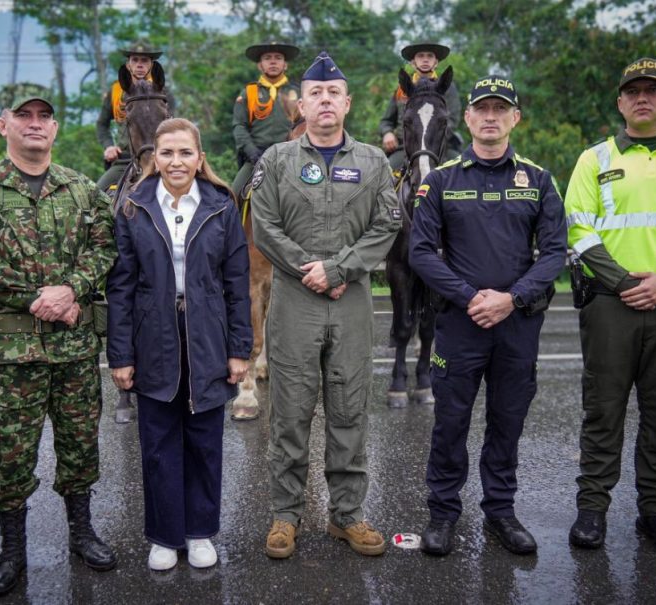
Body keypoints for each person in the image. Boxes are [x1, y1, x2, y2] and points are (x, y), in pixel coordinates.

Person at [0, 94, 118, 596]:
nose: (34, 125)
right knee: (12, 454)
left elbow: (104, 246)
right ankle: (12, 549)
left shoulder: (82, 189)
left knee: (80, 445)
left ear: (56, 129)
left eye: (43, 118)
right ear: (4, 126)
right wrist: (38, 296)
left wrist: (73, 289)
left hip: (74, 348)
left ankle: (82, 533)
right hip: (12, 351)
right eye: (24, 117)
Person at [251, 51, 401, 559]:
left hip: (352, 299)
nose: (325, 101)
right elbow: (264, 227)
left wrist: (338, 270)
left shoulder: (374, 162)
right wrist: (308, 269)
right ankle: (285, 515)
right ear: (301, 104)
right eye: (315, 93)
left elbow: (389, 224)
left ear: (347, 103)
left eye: (333, 93)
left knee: (349, 410)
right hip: (294, 301)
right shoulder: (276, 160)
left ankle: (347, 516)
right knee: (290, 413)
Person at [409, 76, 567, 556]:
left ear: (515, 118)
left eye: (502, 109)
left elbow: (555, 253)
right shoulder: (442, 179)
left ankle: (501, 512)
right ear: (470, 119)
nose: (492, 116)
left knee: (507, 421)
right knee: (450, 423)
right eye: (484, 109)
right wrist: (471, 296)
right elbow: (420, 251)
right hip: (460, 325)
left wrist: (511, 298)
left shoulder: (538, 180)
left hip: (517, 325)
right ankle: (442, 514)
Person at [564, 58, 656, 557]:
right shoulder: (593, 159)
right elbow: (578, 229)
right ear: (620, 102)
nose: (642, 97)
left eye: (652, 89)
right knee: (602, 410)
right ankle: (592, 510)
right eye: (632, 91)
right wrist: (625, 283)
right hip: (610, 306)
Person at [106, 118, 252, 571]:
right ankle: (166, 535)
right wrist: (121, 355)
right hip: (154, 339)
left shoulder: (221, 205)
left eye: (185, 153)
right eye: (167, 153)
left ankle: (201, 531)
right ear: (155, 158)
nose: (176, 161)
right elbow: (121, 287)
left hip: (208, 337)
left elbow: (236, 283)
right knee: (158, 443)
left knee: (205, 442)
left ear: (200, 158)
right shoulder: (133, 207)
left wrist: (239, 348)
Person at [231, 41, 301, 198]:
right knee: (233, 196)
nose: (273, 61)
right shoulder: (249, 93)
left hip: (292, 157)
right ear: (260, 65)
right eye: (267, 58)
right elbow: (239, 126)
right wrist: (252, 152)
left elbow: (306, 126)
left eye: (278, 57)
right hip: (257, 157)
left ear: (285, 64)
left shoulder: (299, 93)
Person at [379, 42, 462, 172]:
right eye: (420, 56)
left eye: (430, 56)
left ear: (436, 62)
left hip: (441, 147)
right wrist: (387, 133)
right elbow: (387, 121)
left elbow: (453, 120)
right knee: (385, 172)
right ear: (413, 62)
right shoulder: (402, 89)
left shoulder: (447, 88)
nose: (425, 59)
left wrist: (432, 136)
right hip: (406, 148)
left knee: (463, 170)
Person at [96, 41, 167, 193]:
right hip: (126, 159)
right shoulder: (115, 92)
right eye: (135, 60)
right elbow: (102, 124)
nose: (139, 65)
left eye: (144, 61)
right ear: (128, 64)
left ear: (152, 65)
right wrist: (109, 145)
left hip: (161, 157)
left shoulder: (162, 91)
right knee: (96, 195)